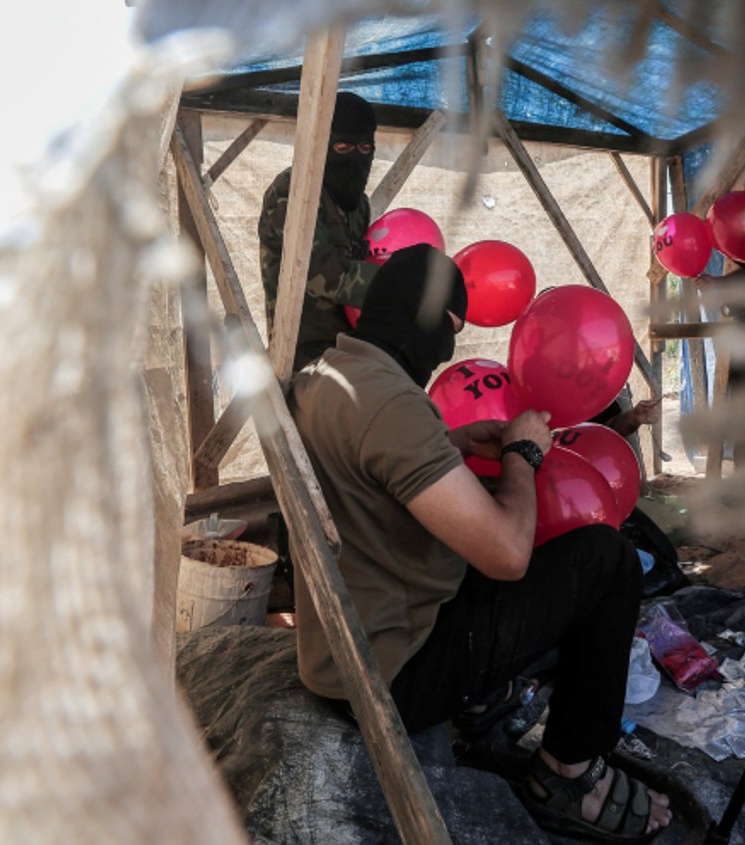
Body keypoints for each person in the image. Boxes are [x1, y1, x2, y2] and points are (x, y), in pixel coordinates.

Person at [288, 244, 672, 843]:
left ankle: (486, 704)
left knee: (521, 551)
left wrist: (451, 442)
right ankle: (567, 772)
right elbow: (508, 556)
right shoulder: (390, 403)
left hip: (339, 645)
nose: (448, 350)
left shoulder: (328, 376)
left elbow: (372, 468)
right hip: (391, 671)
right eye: (450, 332)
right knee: (608, 559)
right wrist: (523, 454)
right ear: (432, 322)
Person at [258, 90, 381, 373]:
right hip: (300, 358)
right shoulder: (291, 191)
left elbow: (359, 263)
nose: (356, 159)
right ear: (322, 144)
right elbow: (323, 275)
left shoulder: (358, 204)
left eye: (365, 149)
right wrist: (399, 284)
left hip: (352, 350)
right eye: (342, 149)